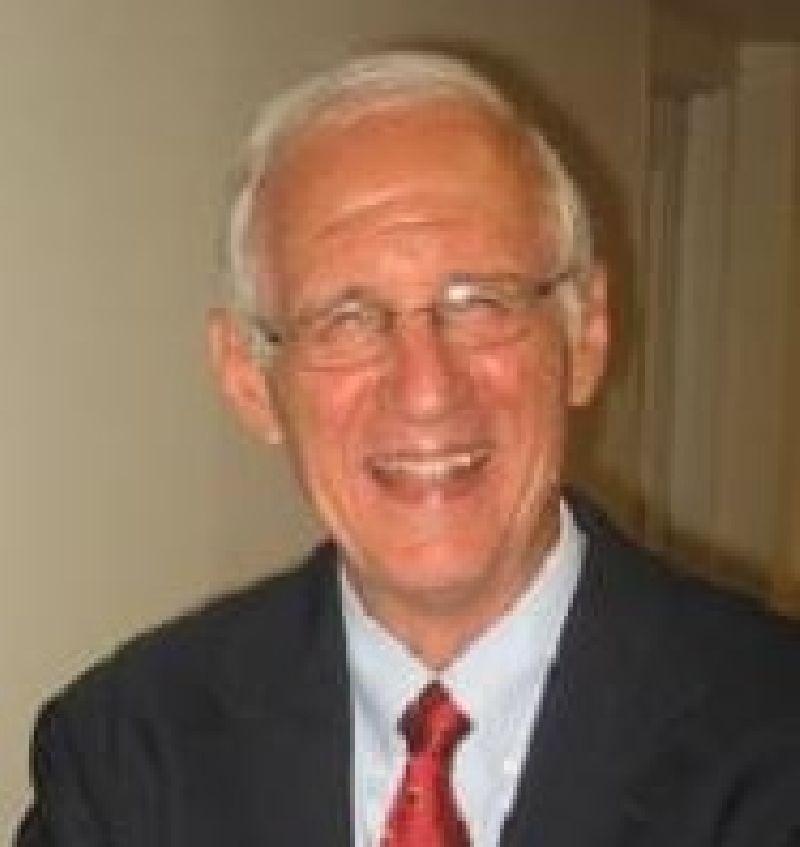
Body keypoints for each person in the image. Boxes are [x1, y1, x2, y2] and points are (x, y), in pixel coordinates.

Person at [17, 52, 800, 847]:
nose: (427, 389)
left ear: (586, 334)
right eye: (346, 320)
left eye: (481, 302)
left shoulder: (775, 730)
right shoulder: (126, 755)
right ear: (250, 381)